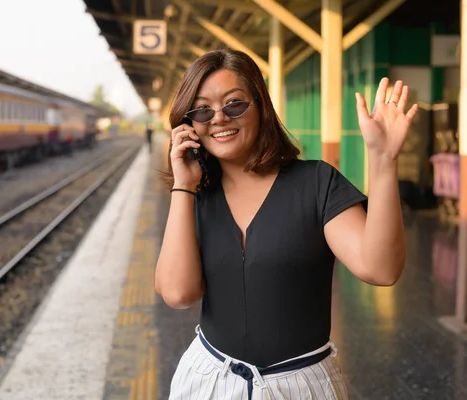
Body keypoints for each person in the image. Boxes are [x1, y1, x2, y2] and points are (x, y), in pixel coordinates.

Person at [154, 49, 417, 399]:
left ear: (260, 106)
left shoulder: (315, 183)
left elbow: (381, 269)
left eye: (234, 104)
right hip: (208, 380)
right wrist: (183, 185)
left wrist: (383, 160)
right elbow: (178, 293)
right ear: (189, 123)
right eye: (202, 109)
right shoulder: (196, 197)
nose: (218, 118)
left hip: (300, 385)